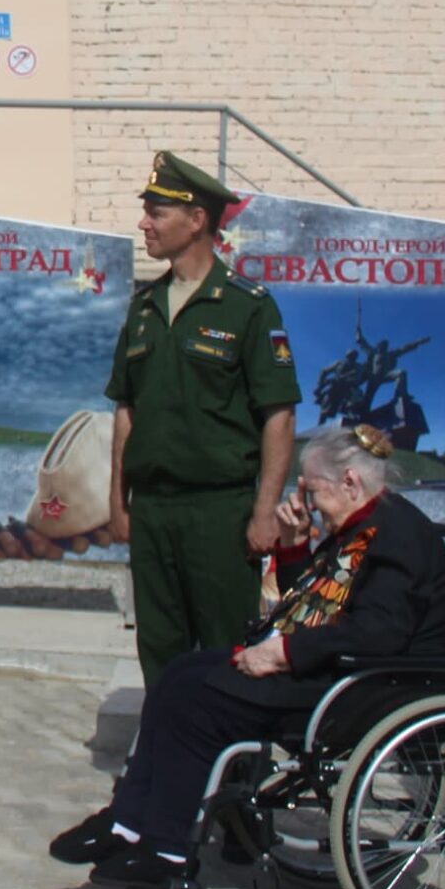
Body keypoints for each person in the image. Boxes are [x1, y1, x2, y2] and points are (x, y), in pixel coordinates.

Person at [50, 425, 445, 884]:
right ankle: (127, 823)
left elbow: (376, 633)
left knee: (200, 705)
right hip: (337, 669)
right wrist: (296, 542)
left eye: (312, 491)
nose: (307, 502)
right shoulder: (363, 522)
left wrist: (283, 654)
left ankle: (166, 849)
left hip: (363, 690)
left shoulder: (396, 537)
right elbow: (310, 605)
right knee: (179, 674)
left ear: (350, 482)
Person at [107, 152, 301, 683]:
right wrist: (117, 501)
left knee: (225, 643)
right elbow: (126, 410)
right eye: (146, 211)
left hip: (219, 510)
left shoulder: (248, 307)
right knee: (159, 645)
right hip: (153, 510)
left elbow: (278, 416)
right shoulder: (143, 307)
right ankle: (171, 761)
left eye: (158, 212)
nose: (145, 222)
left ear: (197, 221)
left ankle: (233, 764)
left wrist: (265, 510)